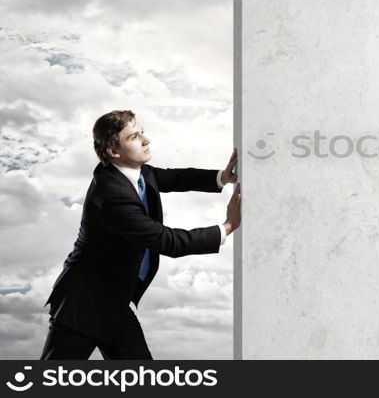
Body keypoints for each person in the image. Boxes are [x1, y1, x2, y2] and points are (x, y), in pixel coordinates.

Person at [40, 110, 241, 359]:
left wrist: (222, 177)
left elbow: (173, 177)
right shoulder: (111, 195)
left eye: (142, 133)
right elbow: (166, 241)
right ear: (114, 151)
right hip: (82, 306)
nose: (146, 140)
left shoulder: (139, 173)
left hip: (115, 305)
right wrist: (227, 227)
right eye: (134, 137)